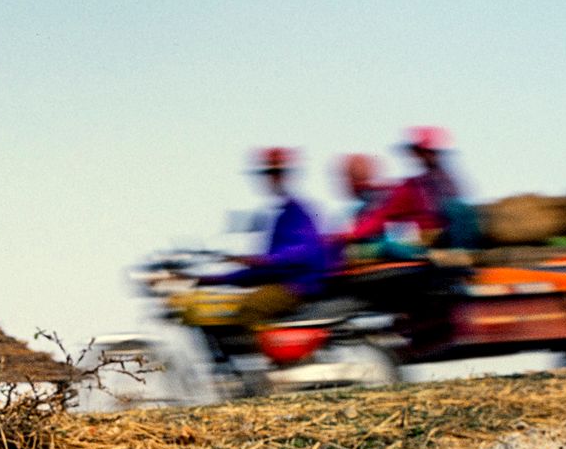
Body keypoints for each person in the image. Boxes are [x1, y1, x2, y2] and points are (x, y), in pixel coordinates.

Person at [201, 147, 335, 323]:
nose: (272, 178)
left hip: (299, 287)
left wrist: (266, 260)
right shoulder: (281, 216)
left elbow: (305, 252)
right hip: (283, 284)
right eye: (269, 173)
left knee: (250, 306)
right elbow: (263, 272)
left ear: (288, 175)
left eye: (276, 172)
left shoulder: (299, 212)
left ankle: (253, 349)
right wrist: (214, 279)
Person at [341, 126, 481, 257]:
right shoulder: (421, 185)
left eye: (429, 152)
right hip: (423, 240)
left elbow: (383, 215)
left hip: (429, 242)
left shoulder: (420, 186)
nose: (426, 156)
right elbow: (385, 215)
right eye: (422, 152)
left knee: (384, 244)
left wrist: (356, 234)